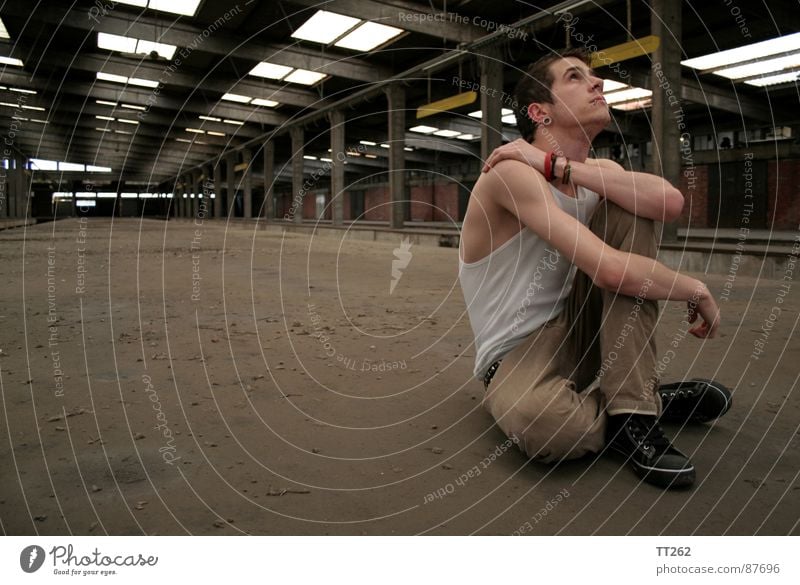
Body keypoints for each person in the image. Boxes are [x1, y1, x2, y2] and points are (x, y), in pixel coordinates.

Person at [458, 48, 731, 489]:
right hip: (518, 355)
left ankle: (634, 415)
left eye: (595, 76)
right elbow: (605, 271)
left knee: (634, 207)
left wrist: (561, 167)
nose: (597, 83)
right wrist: (694, 289)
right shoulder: (510, 173)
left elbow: (671, 203)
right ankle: (646, 401)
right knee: (552, 430)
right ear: (539, 112)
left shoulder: (596, 170)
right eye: (575, 77)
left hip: (585, 328)